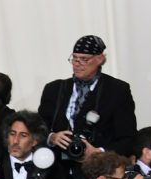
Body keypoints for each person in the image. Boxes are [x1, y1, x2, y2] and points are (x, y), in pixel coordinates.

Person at [39, 35, 137, 164]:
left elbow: (128, 139)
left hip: (97, 168)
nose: (77, 64)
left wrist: (99, 152)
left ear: (100, 59)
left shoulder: (117, 90)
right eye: (74, 58)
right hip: (56, 167)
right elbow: (37, 127)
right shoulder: (54, 89)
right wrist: (52, 137)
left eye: (84, 59)